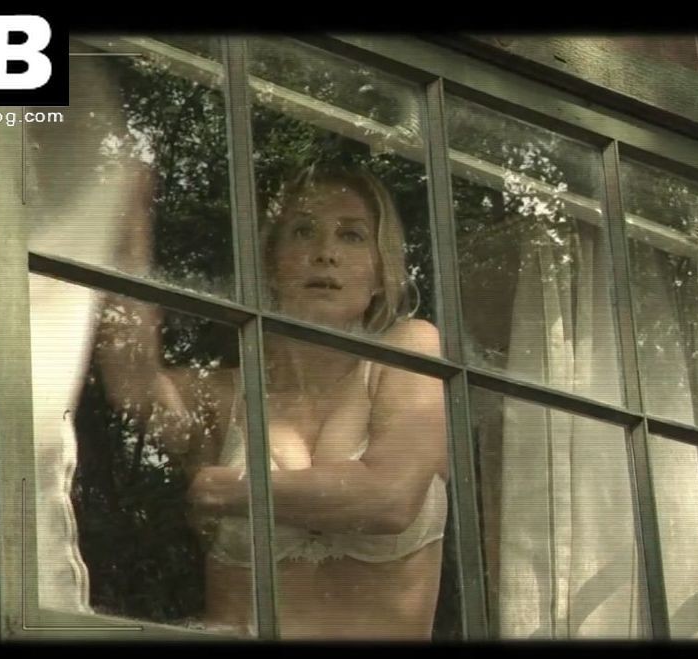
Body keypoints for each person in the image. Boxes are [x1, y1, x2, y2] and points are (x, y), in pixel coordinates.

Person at [98, 162, 449, 640]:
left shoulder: (409, 349)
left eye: (351, 236)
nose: (325, 253)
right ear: (272, 264)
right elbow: (132, 382)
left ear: (379, 274)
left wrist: (219, 487)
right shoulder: (223, 394)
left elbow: (390, 499)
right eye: (303, 231)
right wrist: (125, 218)